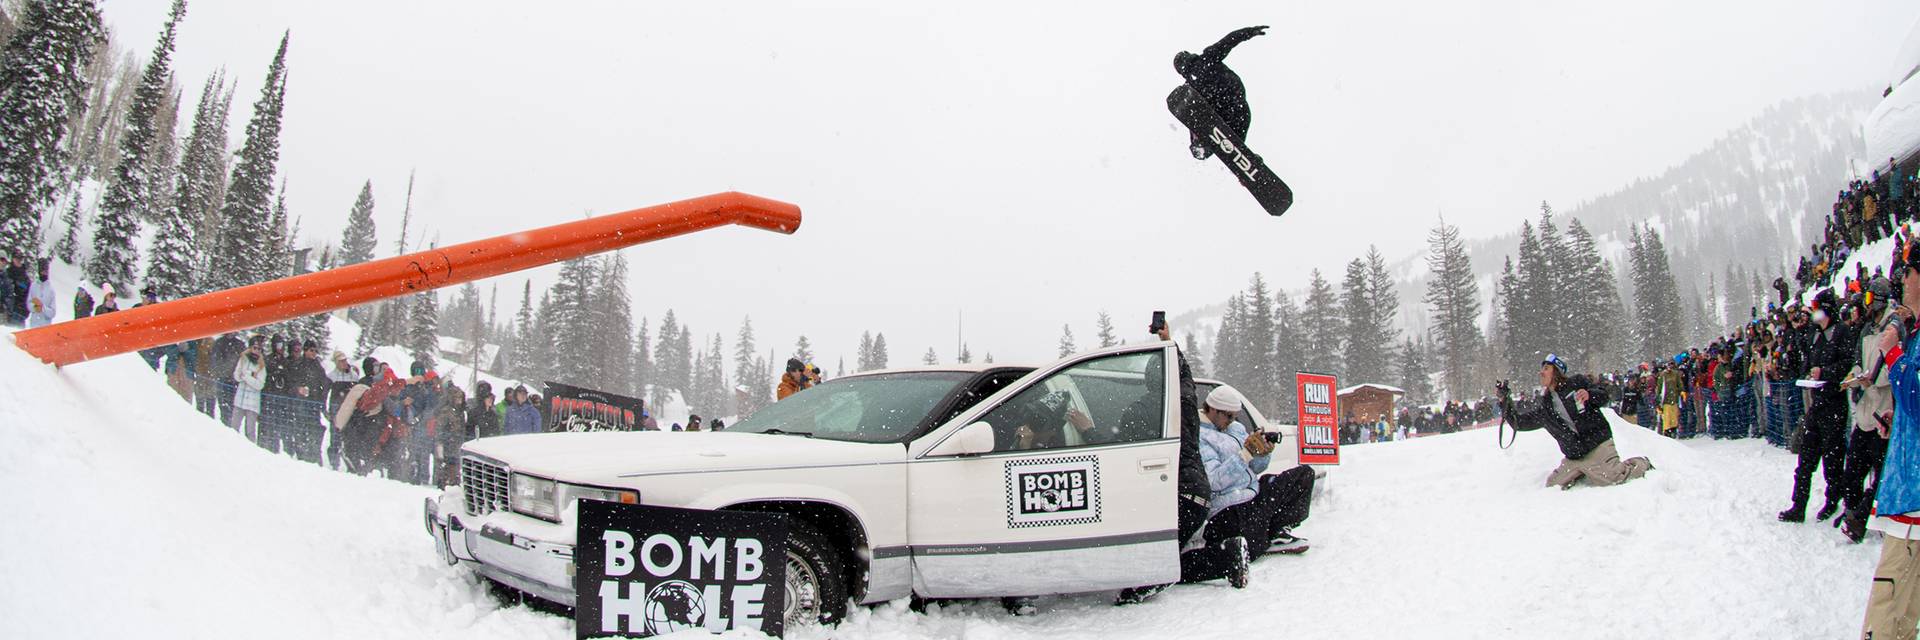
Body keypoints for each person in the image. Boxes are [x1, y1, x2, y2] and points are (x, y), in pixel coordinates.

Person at [1858, 246, 1920, 639]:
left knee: (1890, 606)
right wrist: (1899, 422)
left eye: (1908, 275)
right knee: (1903, 606)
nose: (1903, 283)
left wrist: (1892, 352)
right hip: (1910, 490)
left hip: (1913, 498)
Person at [1498, 354, 1653, 489]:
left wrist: (1589, 394)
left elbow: (1604, 395)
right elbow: (1521, 423)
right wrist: (1504, 401)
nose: (1541, 372)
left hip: (1598, 445)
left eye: (1546, 368)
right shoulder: (1546, 406)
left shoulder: (1577, 382)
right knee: (1553, 485)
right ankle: (1584, 470)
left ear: (1556, 371)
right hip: (1574, 456)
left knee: (1614, 477)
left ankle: (1641, 463)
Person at [1782, 289, 1855, 523]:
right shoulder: (1813, 334)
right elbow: (1805, 361)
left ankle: (1833, 500)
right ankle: (1798, 504)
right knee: (1806, 456)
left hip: (1835, 402)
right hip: (1817, 402)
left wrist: (1826, 373)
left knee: (1833, 459)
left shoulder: (1843, 332)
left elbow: (1847, 363)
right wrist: (1807, 373)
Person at [1841, 279, 1895, 543]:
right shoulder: (1865, 330)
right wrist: (1853, 377)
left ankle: (1862, 518)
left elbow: (1894, 365)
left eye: (1872, 298)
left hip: (1883, 410)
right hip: (1865, 408)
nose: (1867, 303)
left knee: (1880, 470)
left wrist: (1874, 378)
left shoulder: (1894, 327)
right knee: (1853, 467)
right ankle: (1851, 511)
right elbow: (1859, 361)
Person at [1173, 25, 1267, 160]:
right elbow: (1229, 40)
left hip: (1222, 112)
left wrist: (1194, 140)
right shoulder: (1208, 58)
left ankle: (1203, 145)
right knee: (1240, 125)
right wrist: (1249, 31)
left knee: (1204, 119)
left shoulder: (1190, 86)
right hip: (1236, 105)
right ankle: (1245, 157)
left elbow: (1192, 117)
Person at [333, 358, 400, 475]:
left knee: (366, 443)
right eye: (375, 367)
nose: (377, 370)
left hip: (373, 418)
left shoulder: (378, 382)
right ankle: (358, 463)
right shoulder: (366, 383)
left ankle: (363, 464)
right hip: (366, 417)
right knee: (361, 441)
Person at [231, 337, 268, 444]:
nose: (257, 350)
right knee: (234, 427)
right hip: (240, 400)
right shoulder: (243, 359)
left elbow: (259, 384)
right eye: (255, 348)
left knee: (250, 431)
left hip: (252, 403)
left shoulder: (261, 365)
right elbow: (237, 376)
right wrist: (248, 376)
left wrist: (247, 376)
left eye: (259, 349)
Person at [24, 259, 55, 328]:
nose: (44, 273)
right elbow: (29, 304)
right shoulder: (33, 286)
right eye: (42, 270)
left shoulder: (51, 290)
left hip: (45, 326)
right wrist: (35, 307)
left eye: (46, 270)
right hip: (34, 325)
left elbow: (53, 312)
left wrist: (43, 308)